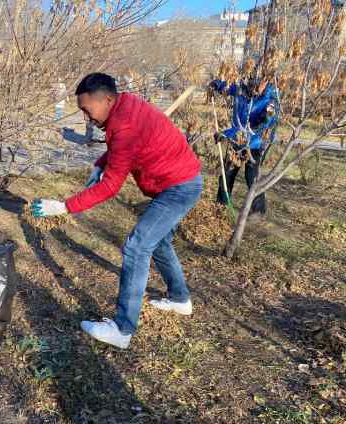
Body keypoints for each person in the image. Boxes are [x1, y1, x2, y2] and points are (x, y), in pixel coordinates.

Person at [31, 73, 202, 349]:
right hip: (175, 180)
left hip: (179, 186)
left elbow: (111, 186)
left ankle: (122, 329)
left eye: (87, 110)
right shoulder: (124, 106)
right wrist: (100, 164)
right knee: (158, 243)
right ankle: (180, 299)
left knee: (136, 247)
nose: (86, 118)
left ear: (107, 99)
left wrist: (64, 206)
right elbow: (120, 148)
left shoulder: (124, 125)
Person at [209, 77, 279, 217]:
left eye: (259, 84)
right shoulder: (241, 89)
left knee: (251, 176)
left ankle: (258, 211)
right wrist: (216, 85)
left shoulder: (270, 101)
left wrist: (225, 134)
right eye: (251, 82)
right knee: (227, 174)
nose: (254, 87)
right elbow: (228, 87)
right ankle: (220, 207)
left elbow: (253, 129)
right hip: (237, 140)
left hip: (256, 143)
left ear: (266, 83)